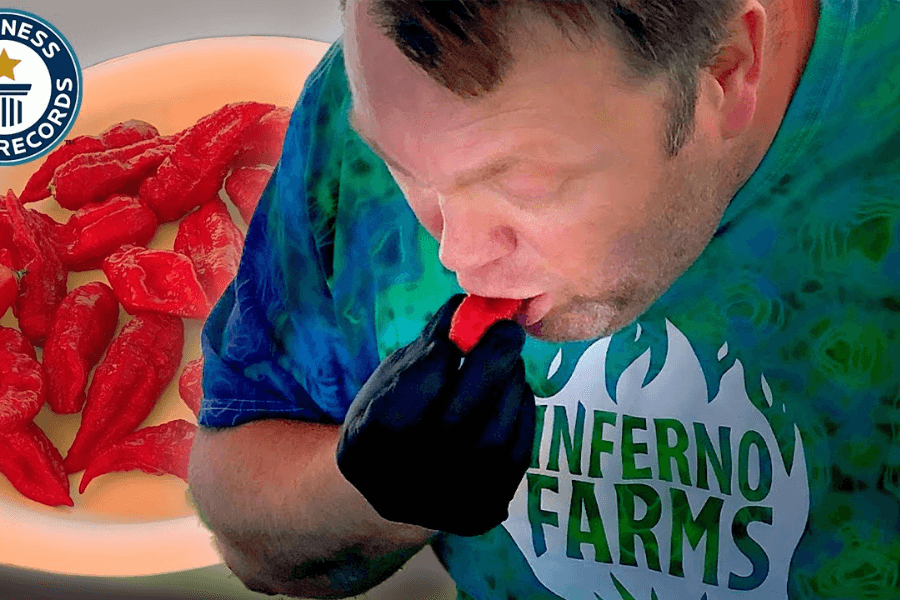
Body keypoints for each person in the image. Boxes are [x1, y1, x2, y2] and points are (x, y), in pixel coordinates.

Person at [187, 0, 900, 597]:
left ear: (725, 69)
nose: (457, 255)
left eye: (525, 183)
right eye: (399, 164)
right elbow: (242, 523)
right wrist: (373, 496)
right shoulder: (375, 92)